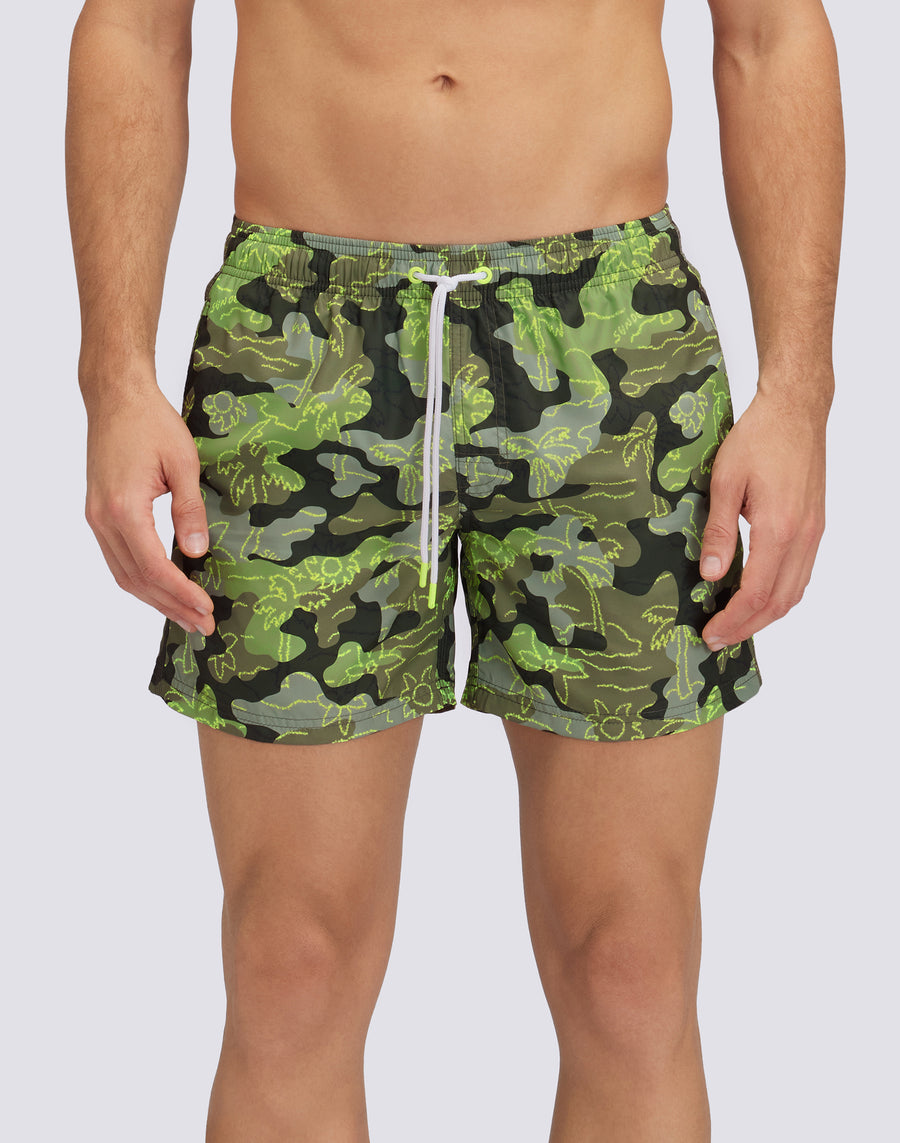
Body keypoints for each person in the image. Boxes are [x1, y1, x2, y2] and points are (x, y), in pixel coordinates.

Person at [65, 0, 843, 1139]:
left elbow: (772, 33)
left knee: (631, 966)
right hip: (300, 347)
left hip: (613, 345)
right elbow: (133, 27)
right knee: (290, 962)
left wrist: (802, 394)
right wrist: (113, 379)